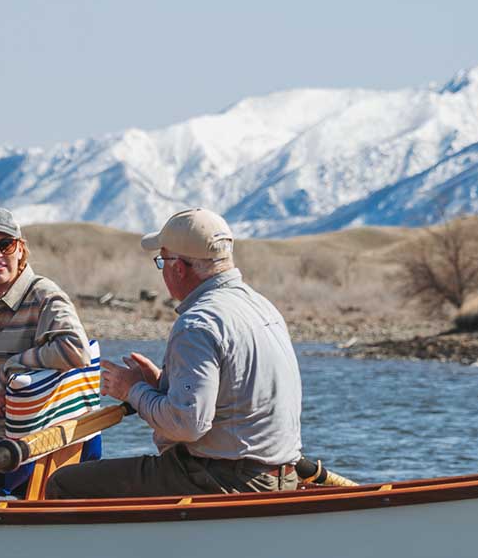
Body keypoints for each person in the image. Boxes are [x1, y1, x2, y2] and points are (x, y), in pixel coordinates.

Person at [46, 207, 302, 499]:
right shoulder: (263, 307)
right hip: (282, 476)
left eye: (162, 260)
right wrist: (163, 386)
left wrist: (132, 390)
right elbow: (233, 401)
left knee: (64, 483)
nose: (163, 270)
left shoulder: (198, 323)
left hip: (223, 480)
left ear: (178, 267)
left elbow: (187, 425)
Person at [0, 206, 91, 442]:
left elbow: (77, 350)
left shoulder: (43, 295)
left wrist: (12, 367)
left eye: (6, 244)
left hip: (15, 451)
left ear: (20, 249)